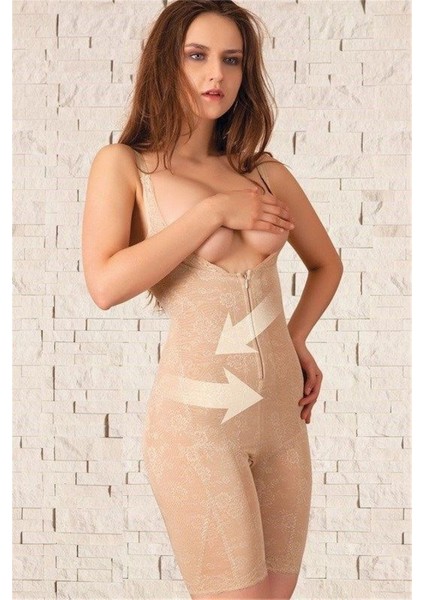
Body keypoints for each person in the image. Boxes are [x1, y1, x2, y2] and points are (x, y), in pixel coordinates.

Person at [82, 1, 343, 598]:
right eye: (197, 56)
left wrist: (294, 338)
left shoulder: (266, 173)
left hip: (282, 425)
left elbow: (327, 264)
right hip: (197, 429)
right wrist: (213, 213)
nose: (215, 75)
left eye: (232, 60)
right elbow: (105, 285)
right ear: (164, 62)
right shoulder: (125, 166)